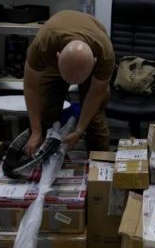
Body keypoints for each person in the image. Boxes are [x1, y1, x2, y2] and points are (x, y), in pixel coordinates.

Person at [23, 10, 114, 154]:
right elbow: (30, 87)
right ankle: (42, 157)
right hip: (56, 48)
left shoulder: (104, 54)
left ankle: (100, 167)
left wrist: (79, 131)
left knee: (94, 120)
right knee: (46, 108)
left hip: (90, 49)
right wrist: (35, 131)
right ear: (57, 56)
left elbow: (96, 94)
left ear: (95, 62)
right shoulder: (43, 44)